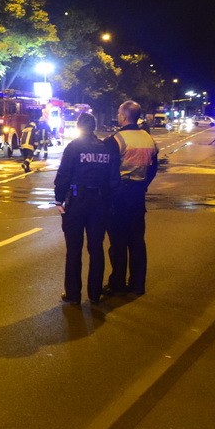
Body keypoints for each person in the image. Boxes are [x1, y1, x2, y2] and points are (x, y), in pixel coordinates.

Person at [53, 112, 120, 305]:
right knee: (96, 248)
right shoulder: (106, 149)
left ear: (80, 127)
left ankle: (73, 295)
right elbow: (114, 179)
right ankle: (95, 293)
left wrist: (59, 201)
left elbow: (63, 176)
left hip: (76, 202)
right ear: (95, 127)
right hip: (99, 203)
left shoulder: (74, 147)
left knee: (74, 250)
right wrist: (110, 203)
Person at [103, 100, 159, 297]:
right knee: (136, 241)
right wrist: (143, 184)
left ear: (124, 116)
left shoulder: (116, 140)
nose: (118, 116)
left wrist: (112, 191)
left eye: (119, 113)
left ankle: (117, 283)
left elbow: (108, 171)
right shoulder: (148, 139)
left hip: (119, 196)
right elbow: (154, 167)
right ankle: (137, 284)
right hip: (137, 194)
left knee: (117, 242)